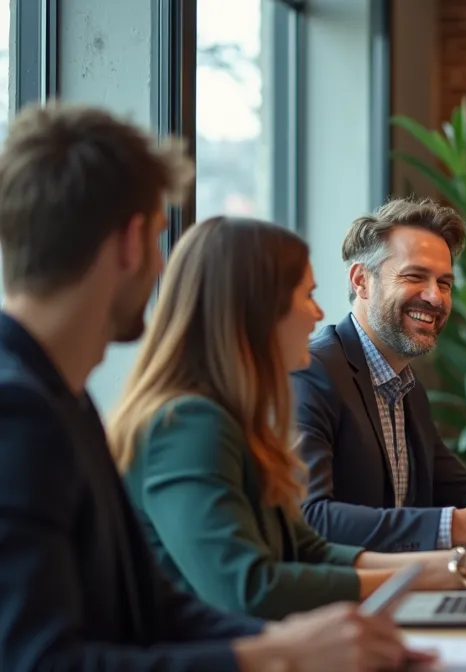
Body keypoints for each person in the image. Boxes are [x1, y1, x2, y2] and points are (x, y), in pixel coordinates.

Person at [0, 102, 425, 670]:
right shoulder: (21, 412)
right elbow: (39, 661)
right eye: (156, 237)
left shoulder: (60, 401)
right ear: (129, 242)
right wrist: (275, 654)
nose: (160, 266)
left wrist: (293, 646)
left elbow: (154, 612)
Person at [107, 216, 466, 621]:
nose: (317, 312)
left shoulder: (235, 419)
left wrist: (462, 570)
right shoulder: (187, 425)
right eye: (306, 294)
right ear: (256, 308)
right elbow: (252, 588)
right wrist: (454, 561)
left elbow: (309, 549)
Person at [293, 198, 466, 552]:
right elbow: (312, 517)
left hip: (406, 586)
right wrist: (457, 526)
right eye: (414, 276)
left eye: (444, 283)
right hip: (344, 597)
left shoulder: (406, 387)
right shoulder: (312, 374)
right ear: (362, 280)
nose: (435, 298)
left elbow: (452, 487)